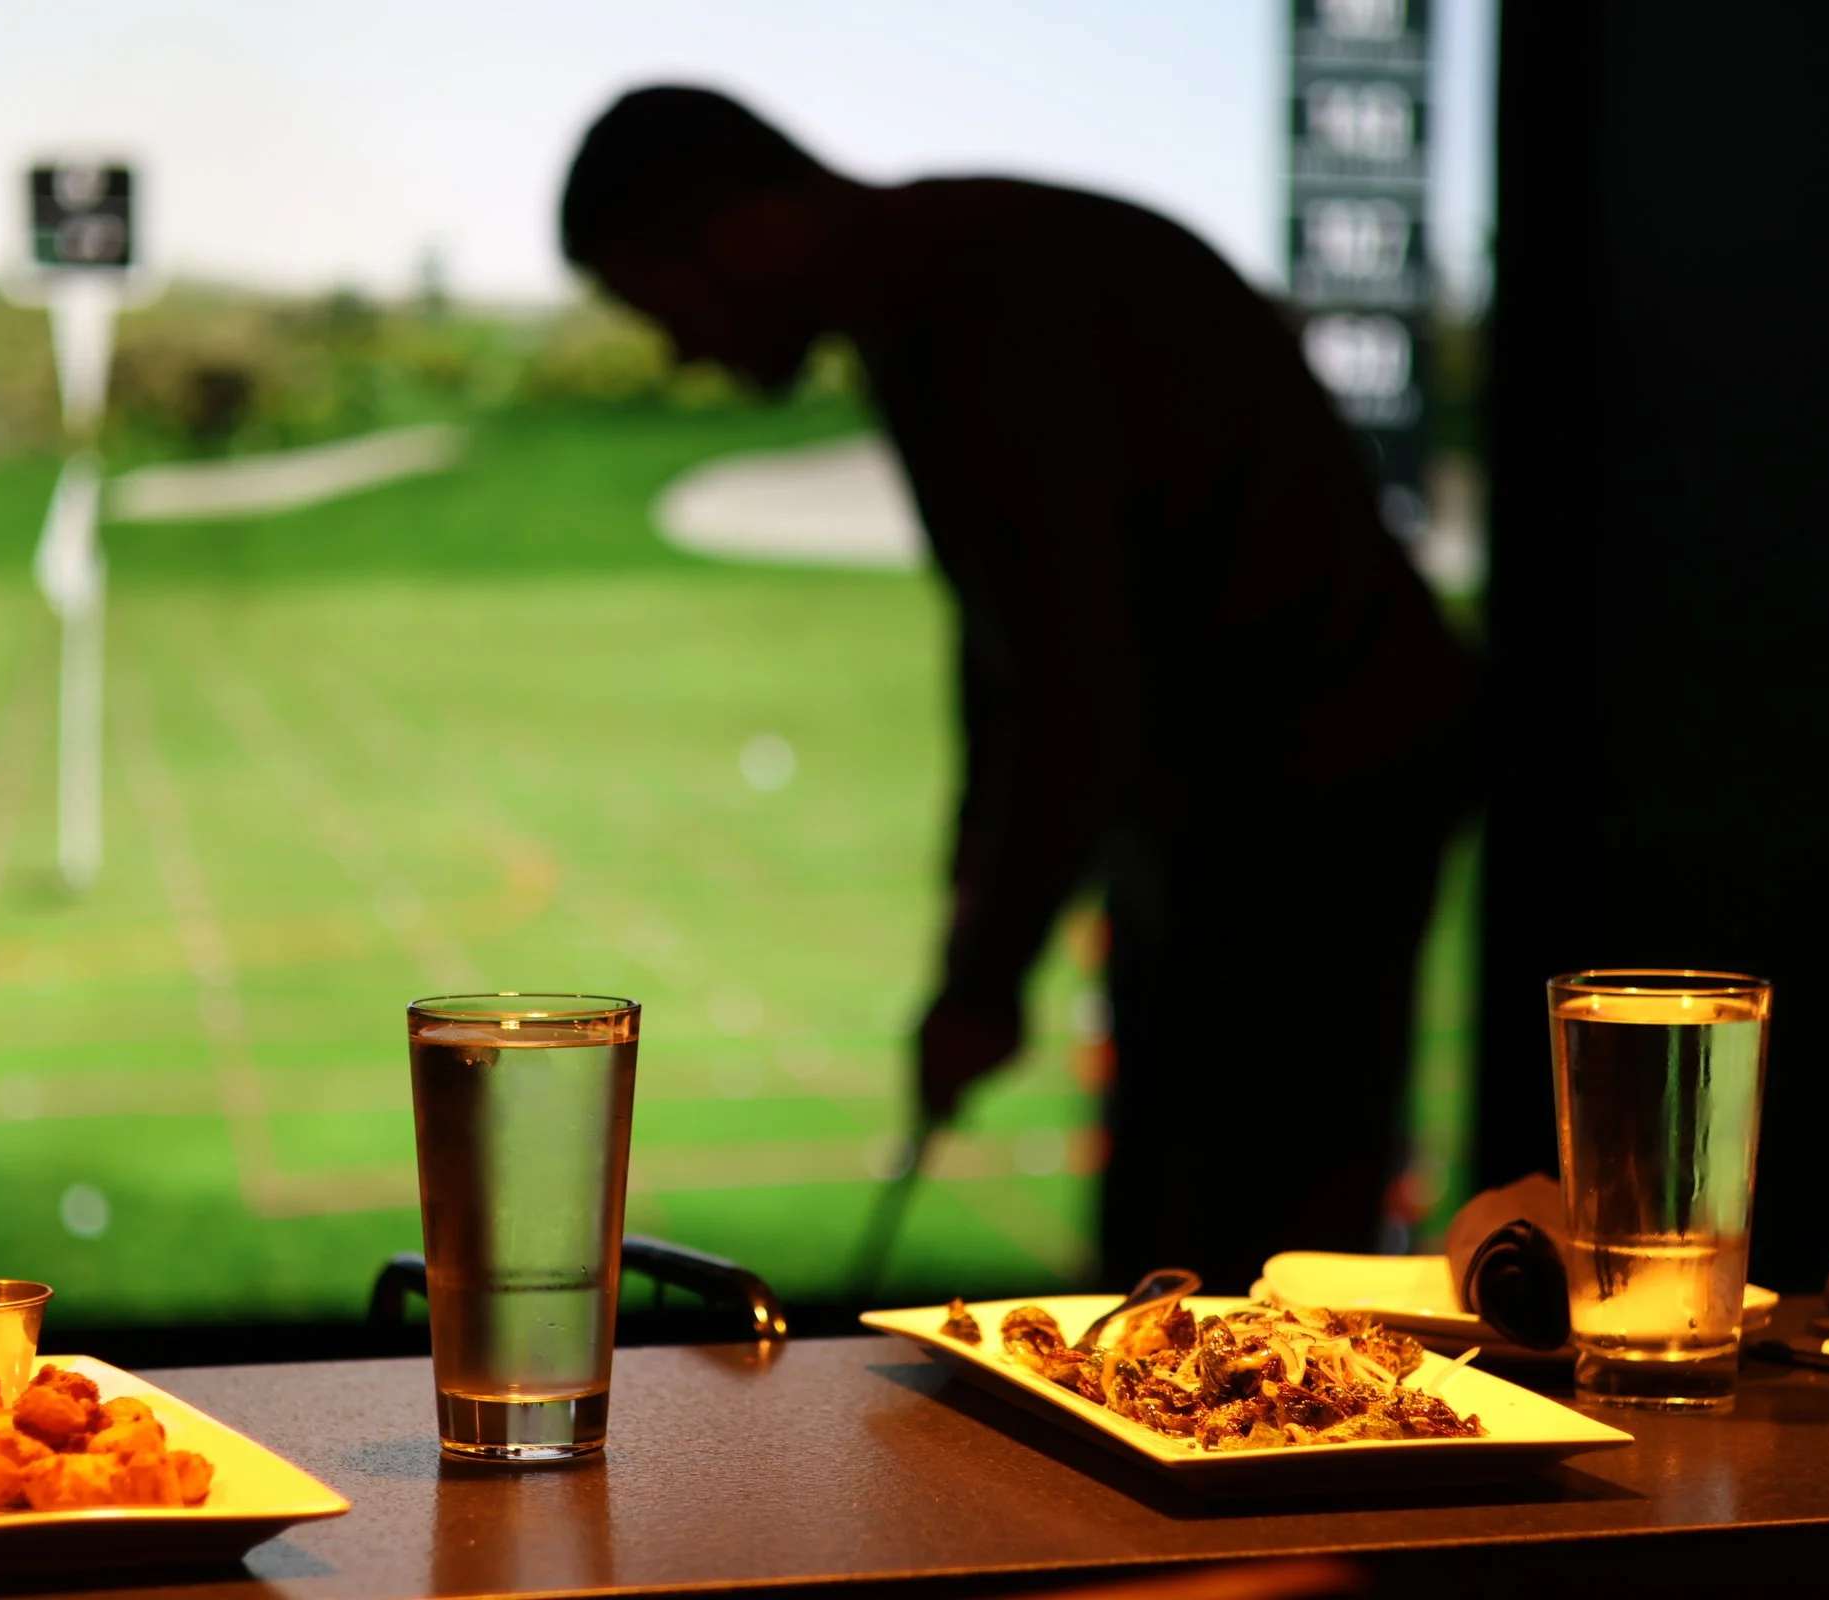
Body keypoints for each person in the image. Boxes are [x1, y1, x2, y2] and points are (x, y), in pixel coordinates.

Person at [560, 87, 1478, 1293]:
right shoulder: (940, 289)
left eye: (660, 302)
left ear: (742, 233)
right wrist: (972, 923)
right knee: (1173, 1218)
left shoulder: (979, 307)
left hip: (1313, 784)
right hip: (1235, 784)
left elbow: (1075, 680)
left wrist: (984, 980)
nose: (683, 349)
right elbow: (1006, 651)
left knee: (1262, 1246)